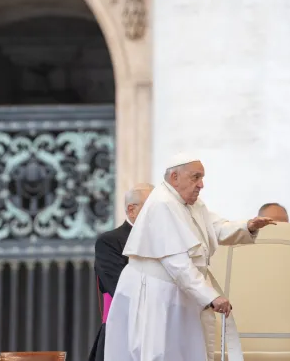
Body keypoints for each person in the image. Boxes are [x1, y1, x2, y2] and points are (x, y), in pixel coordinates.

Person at [103, 153, 276, 361]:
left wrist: (246, 226)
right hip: (156, 297)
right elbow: (176, 262)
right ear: (174, 177)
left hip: (179, 294)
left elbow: (214, 228)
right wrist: (210, 296)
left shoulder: (192, 204)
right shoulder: (161, 204)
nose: (201, 184)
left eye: (202, 178)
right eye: (195, 177)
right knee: (161, 353)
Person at [88, 183, 155, 361]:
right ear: (131, 210)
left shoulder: (164, 241)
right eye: (152, 207)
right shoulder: (109, 242)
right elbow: (120, 287)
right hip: (121, 331)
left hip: (157, 332)